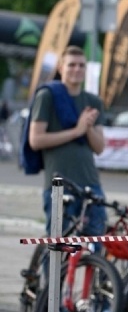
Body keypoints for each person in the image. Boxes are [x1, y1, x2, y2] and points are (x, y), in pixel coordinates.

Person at [28, 46, 106, 236]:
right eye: (71, 65)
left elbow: (99, 148)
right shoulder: (47, 96)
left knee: (96, 241)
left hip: (90, 183)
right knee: (58, 244)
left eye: (81, 65)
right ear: (61, 67)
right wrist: (76, 131)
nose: (77, 69)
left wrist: (87, 128)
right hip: (58, 184)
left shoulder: (93, 101)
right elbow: (36, 140)